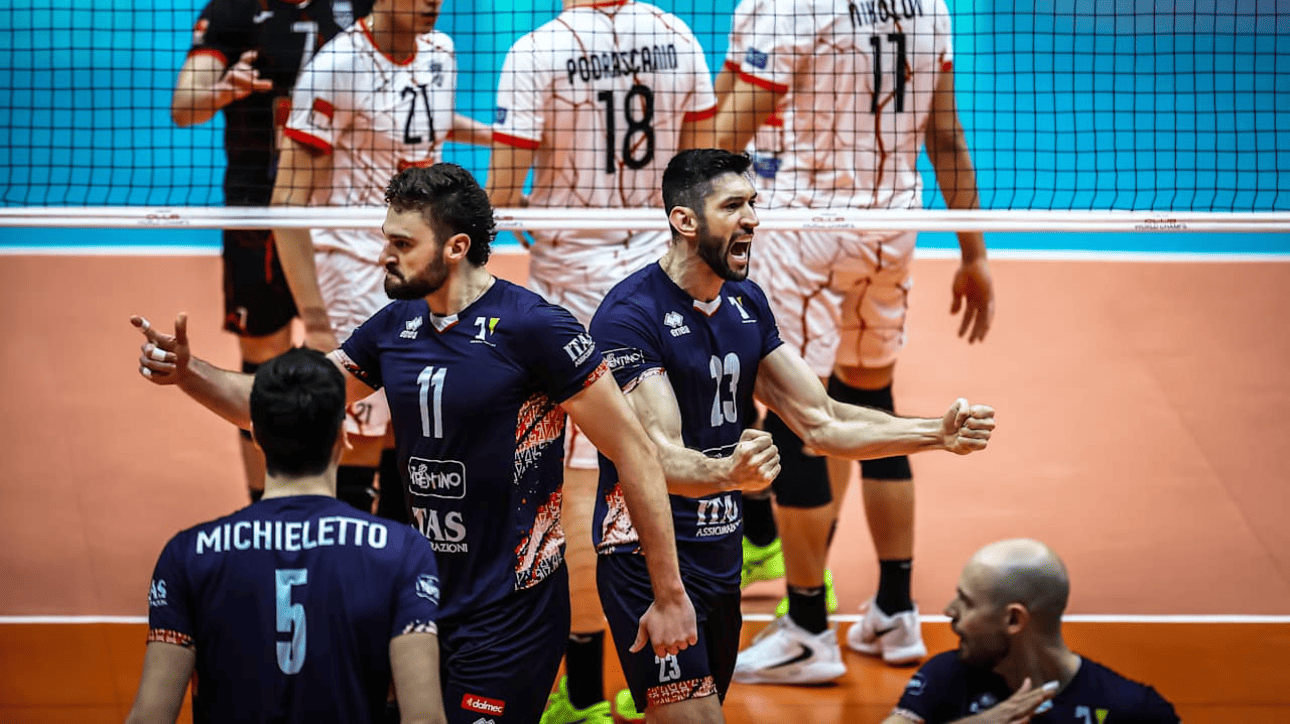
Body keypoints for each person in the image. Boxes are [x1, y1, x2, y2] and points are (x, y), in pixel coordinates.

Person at [130, 163, 697, 724]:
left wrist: (669, 593)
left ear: (455, 247)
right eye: (387, 240)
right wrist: (188, 373)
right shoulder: (395, 326)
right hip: (415, 604)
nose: (385, 255)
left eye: (402, 243)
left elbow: (633, 451)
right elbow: (279, 404)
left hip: (510, 614)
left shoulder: (537, 330)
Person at [587, 148, 996, 721]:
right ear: (685, 221)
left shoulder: (745, 302)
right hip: (649, 559)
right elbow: (658, 460)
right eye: (734, 206)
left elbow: (821, 421)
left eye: (753, 203)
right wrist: (724, 483)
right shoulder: (630, 318)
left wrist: (934, 432)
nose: (753, 218)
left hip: (719, 554)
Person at [713, 0, 997, 679]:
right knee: (873, 401)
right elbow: (947, 136)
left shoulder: (796, 6)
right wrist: (975, 253)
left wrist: (667, 204)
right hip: (892, 226)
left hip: (808, 230)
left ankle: (809, 626)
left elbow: (729, 132)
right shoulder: (931, 6)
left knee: (797, 419)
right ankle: (896, 610)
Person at [485, 2, 717, 719]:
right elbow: (700, 166)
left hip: (578, 283)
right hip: (661, 275)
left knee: (580, 481)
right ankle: (681, 665)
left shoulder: (537, 50)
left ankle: (583, 690)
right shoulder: (678, 34)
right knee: (668, 453)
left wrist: (530, 215)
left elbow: (498, 192)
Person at [123, 347, 446, 724]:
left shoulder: (188, 555)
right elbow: (424, 718)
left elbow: (150, 716)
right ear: (343, 434)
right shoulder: (403, 552)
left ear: (256, 435)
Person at [271, 0, 492, 517]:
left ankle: (403, 557)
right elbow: (285, 205)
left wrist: (496, 136)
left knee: (410, 418)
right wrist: (315, 320)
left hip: (418, 259)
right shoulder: (335, 66)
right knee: (358, 425)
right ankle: (345, 553)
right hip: (352, 260)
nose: (431, 3)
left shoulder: (442, 50)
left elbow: (424, 123)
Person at [171, 0, 374, 504]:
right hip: (258, 211)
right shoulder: (234, 11)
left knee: (358, 363)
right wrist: (222, 90)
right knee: (261, 366)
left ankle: (346, 504)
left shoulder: (361, 7)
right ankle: (263, 506)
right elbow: (184, 105)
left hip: (341, 214)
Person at [883, 539, 1181, 724]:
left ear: (1014, 619)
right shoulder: (945, 676)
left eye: (967, 601)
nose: (949, 610)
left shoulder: (1131, 710)